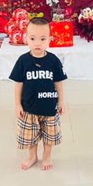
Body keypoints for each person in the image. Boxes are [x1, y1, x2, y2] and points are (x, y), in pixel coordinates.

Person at [9, 17, 67, 170]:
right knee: (30, 136)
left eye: (42, 39)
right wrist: (17, 104)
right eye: (33, 38)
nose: (37, 43)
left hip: (49, 107)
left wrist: (61, 101)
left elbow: (58, 82)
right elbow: (18, 83)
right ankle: (32, 156)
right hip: (29, 108)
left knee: (50, 136)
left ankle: (47, 156)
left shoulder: (53, 61)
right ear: (26, 39)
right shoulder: (23, 61)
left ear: (50, 39)